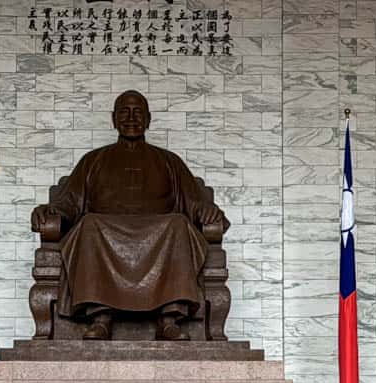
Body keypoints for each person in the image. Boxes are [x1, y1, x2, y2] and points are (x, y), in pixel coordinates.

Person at [30, 90, 229, 340]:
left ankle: (169, 318)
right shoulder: (94, 160)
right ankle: (100, 316)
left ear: (148, 119)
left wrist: (209, 211)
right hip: (104, 232)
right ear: (114, 119)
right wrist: (50, 211)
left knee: (179, 223)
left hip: (161, 233)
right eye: (124, 112)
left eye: (138, 113)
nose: (131, 118)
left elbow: (193, 203)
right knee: (89, 224)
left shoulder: (169, 161)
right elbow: (70, 202)